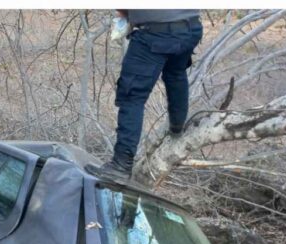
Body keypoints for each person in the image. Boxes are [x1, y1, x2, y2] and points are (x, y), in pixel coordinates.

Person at [87, 10, 203, 180]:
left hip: (156, 33)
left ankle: (121, 165)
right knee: (176, 74)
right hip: (191, 28)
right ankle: (177, 130)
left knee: (132, 96)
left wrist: (125, 14)